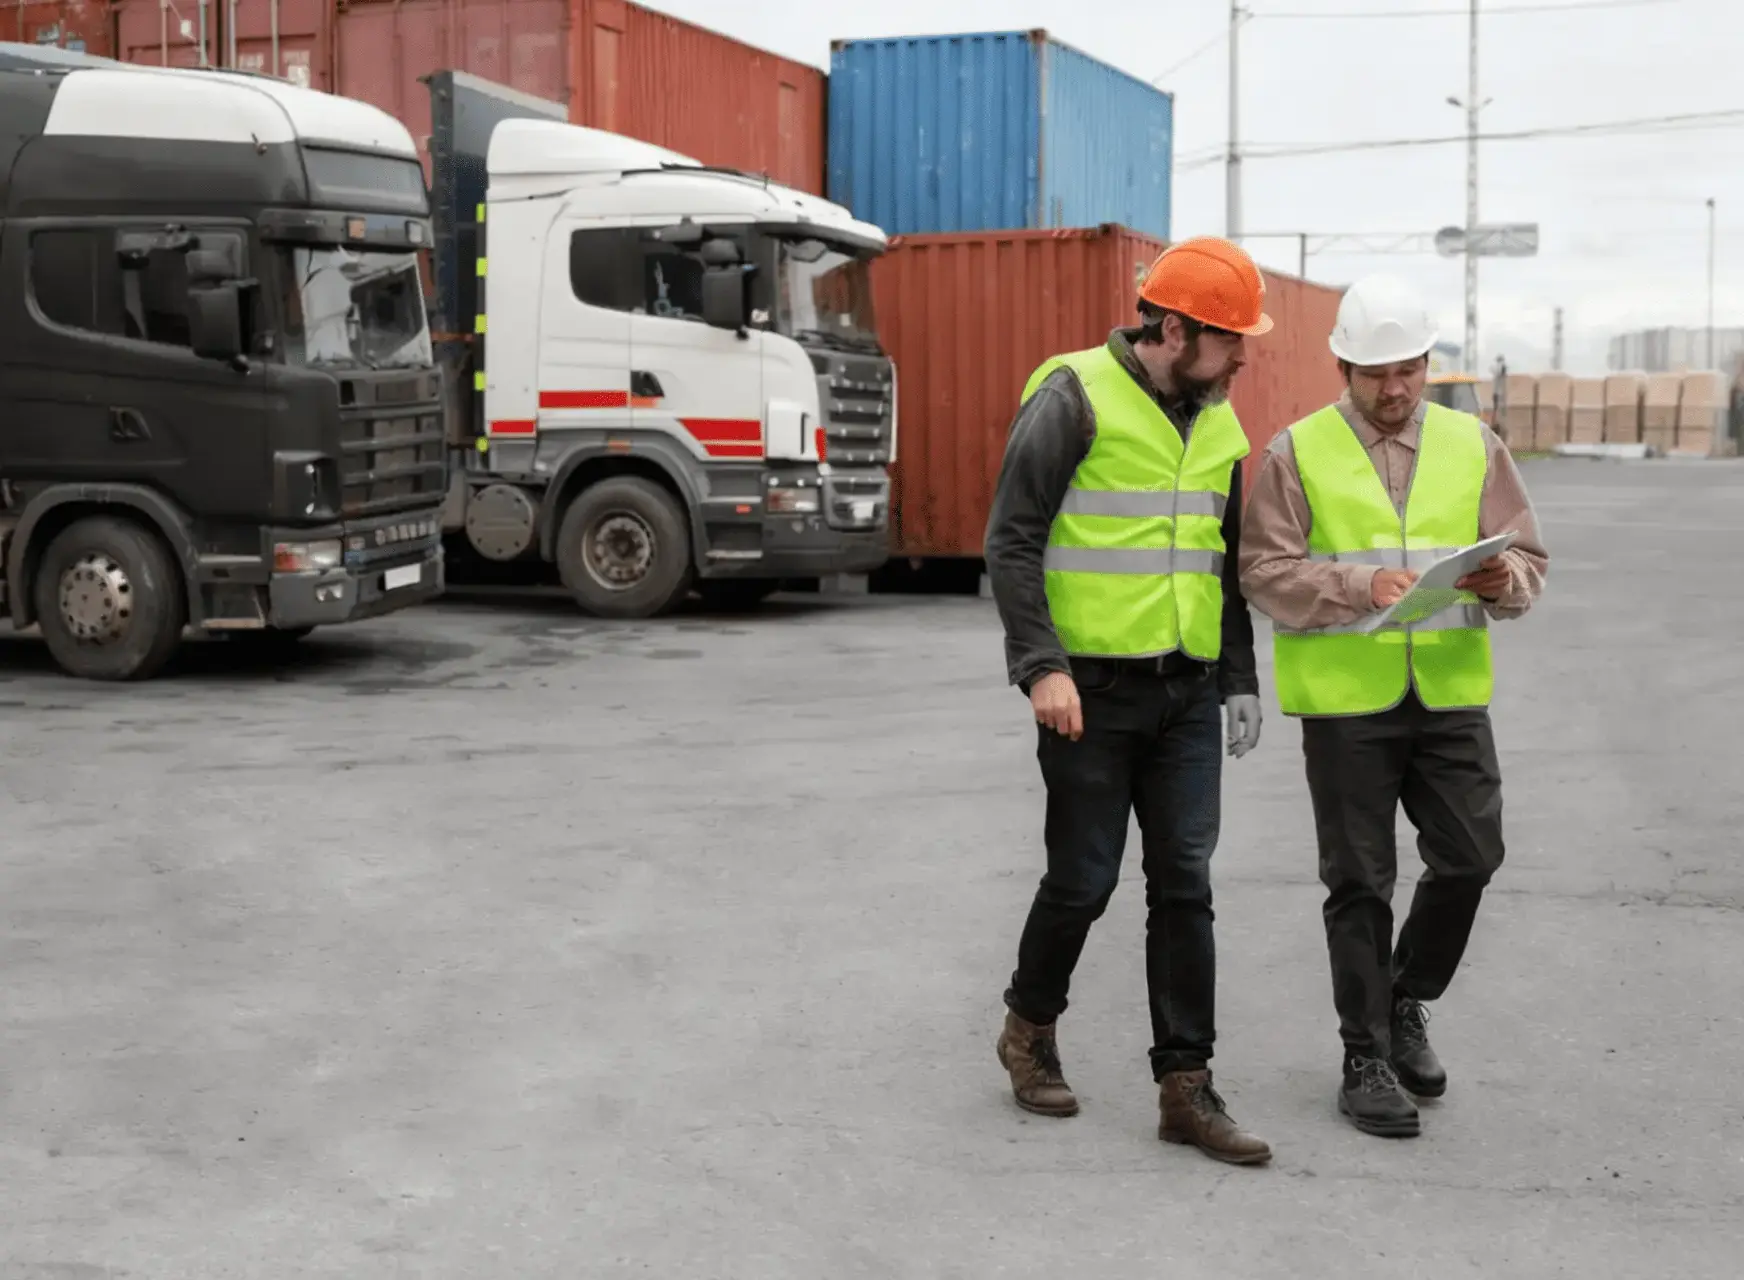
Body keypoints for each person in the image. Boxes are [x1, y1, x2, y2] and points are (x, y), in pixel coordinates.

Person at [983, 237, 1274, 1166]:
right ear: (1176, 330)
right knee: (1086, 879)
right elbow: (1012, 540)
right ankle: (1028, 1030)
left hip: (1186, 693)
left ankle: (1185, 1086)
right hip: (1090, 694)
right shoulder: (1072, 397)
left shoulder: (1219, 422)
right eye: (1231, 340)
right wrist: (1042, 666)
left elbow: (1218, 565)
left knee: (1185, 884)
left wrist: (1237, 676)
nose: (1244, 357)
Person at [1237, 274, 1549, 1138]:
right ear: (1342, 365)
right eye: (1376, 372)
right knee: (1359, 883)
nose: (1395, 388)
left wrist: (1503, 579)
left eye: (1408, 368)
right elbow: (1262, 571)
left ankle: (1405, 998)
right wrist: (1356, 583)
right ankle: (1364, 1056)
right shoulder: (1294, 453)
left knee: (1470, 858)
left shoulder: (1474, 445)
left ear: (1427, 362)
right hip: (1347, 705)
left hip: (1447, 694)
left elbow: (1528, 562)